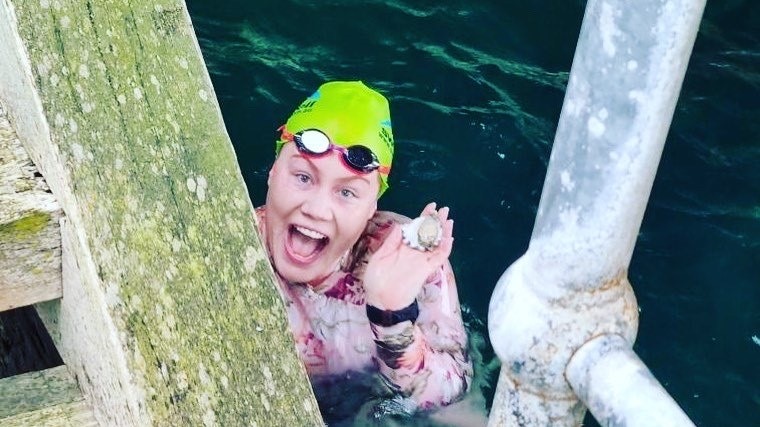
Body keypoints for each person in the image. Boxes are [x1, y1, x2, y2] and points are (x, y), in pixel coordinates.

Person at [255, 81, 473, 415]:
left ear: (372, 206)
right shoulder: (231, 241)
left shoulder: (407, 260)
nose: (316, 209)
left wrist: (392, 314)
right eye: (303, 177)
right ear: (272, 172)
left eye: (346, 193)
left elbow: (452, 393)